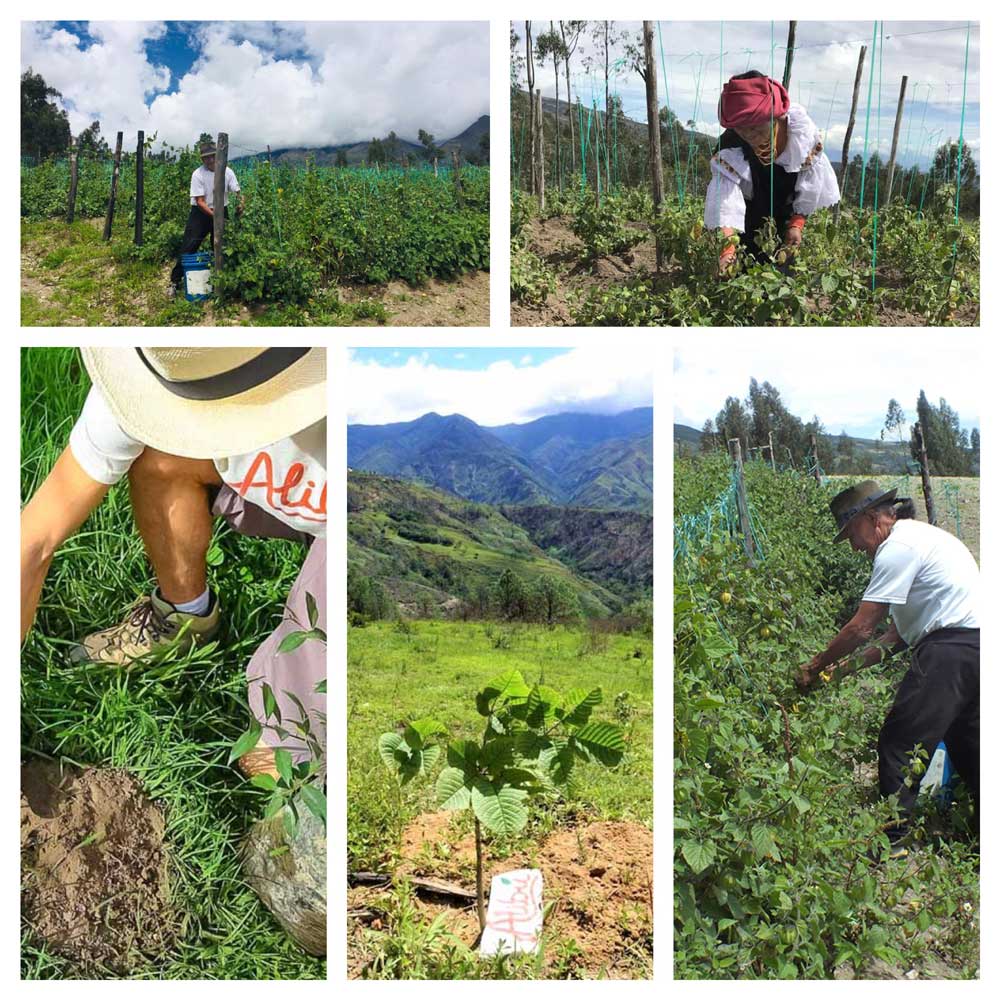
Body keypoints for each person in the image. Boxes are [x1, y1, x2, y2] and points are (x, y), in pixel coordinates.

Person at [20, 347, 326, 780]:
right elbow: (32, 540)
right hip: (294, 490)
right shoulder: (161, 379)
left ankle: (294, 743)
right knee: (158, 454)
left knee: (325, 602)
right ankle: (185, 619)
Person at [796, 481, 979, 856]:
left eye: (851, 534)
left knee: (899, 743)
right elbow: (895, 637)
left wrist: (814, 667)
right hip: (976, 648)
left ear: (871, 518)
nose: (853, 545)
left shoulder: (896, 549)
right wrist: (840, 671)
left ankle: (892, 842)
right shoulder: (919, 539)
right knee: (970, 744)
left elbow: (862, 627)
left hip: (951, 651)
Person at [705, 71, 840, 274]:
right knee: (745, 269)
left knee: (784, 272)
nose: (749, 135)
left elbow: (809, 182)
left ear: (776, 117)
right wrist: (728, 248)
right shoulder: (730, 148)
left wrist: (797, 223)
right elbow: (726, 203)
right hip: (749, 215)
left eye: (756, 128)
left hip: (787, 208)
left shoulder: (801, 136)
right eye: (742, 129)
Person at [168, 142, 244, 296]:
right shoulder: (198, 174)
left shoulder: (227, 172)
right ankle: (174, 282)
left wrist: (241, 203)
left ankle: (221, 280)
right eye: (206, 158)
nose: (209, 160)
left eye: (212, 156)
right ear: (202, 159)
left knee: (223, 246)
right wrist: (216, 217)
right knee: (189, 246)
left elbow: (238, 191)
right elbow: (200, 201)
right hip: (200, 213)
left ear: (217, 155)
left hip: (222, 209)